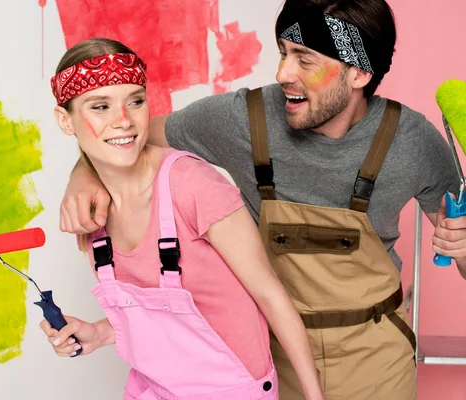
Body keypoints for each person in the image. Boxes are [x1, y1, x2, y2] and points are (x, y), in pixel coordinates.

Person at [57, 1, 466, 399]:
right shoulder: (241, 118)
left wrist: (462, 247)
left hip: (376, 358)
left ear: (358, 73)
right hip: (270, 357)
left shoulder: (411, 141)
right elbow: (130, 136)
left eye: (304, 59)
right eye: (283, 53)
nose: (282, 73)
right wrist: (83, 175)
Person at [39, 37, 326, 400]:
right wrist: (100, 333)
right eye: (101, 107)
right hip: (152, 388)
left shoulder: (192, 185)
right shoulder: (88, 216)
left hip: (232, 390)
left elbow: (271, 296)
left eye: (136, 101)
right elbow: (158, 321)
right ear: (65, 121)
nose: (124, 121)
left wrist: (315, 397)